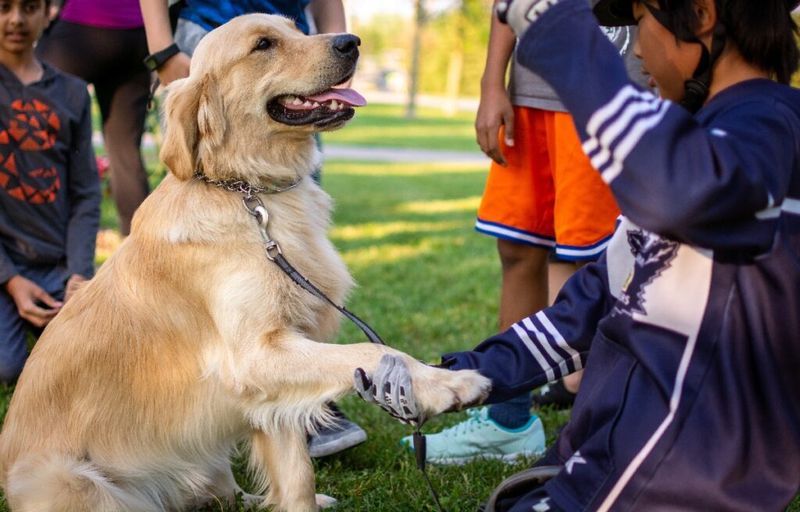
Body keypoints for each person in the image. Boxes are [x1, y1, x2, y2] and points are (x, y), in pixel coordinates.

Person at [357, 0, 800, 509]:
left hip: (670, 482)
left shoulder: (772, 124)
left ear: (700, 16)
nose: (636, 50)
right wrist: (450, 379)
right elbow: (585, 310)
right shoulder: (708, 138)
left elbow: (684, 191)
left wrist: (564, 36)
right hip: (603, 462)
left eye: (640, 22)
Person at [405, 1, 645, 465]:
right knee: (517, 248)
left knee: (595, 259)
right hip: (530, 90)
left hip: (605, 86)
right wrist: (492, 83)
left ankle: (602, 427)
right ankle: (508, 422)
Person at [138, 0, 363, 459]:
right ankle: (290, 381)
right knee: (242, 312)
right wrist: (163, 53)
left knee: (295, 267)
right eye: (267, 44)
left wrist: (328, 46)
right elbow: (181, 162)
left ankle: (305, 389)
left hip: (277, 35)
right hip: (203, 35)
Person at [0, 0, 101, 384]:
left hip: (58, 265)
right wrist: (11, 280)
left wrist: (78, 274)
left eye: (29, 7)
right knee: (8, 368)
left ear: (49, 13)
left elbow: (86, 192)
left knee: (93, 359)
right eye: (4, 7)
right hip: (5, 265)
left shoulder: (72, 93)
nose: (16, 19)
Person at [36, 0, 150, 237]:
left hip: (81, 23)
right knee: (126, 152)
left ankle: (40, 240)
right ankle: (141, 246)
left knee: (33, 130)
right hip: (137, 33)